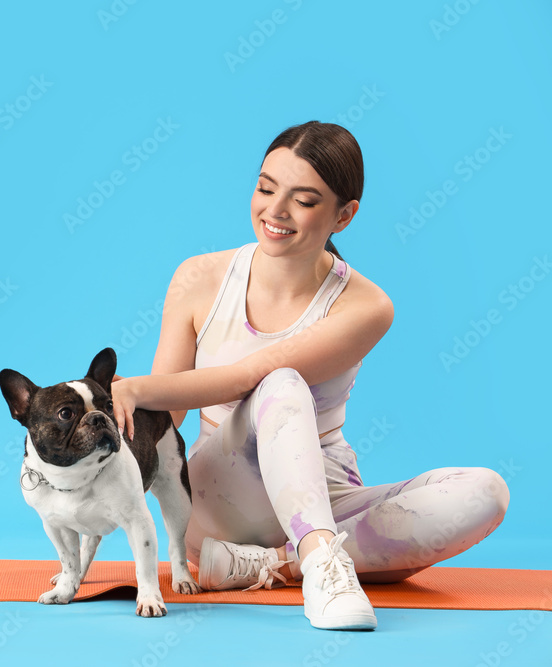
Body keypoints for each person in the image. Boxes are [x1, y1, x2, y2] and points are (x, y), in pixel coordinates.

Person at [109, 120, 510, 631]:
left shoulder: (367, 304)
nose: (275, 212)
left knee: (486, 492)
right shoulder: (199, 276)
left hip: (323, 496)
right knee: (282, 385)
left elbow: (247, 373)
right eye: (265, 188)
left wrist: (135, 386)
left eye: (303, 200)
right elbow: (171, 417)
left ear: (344, 215)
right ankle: (324, 567)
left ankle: (274, 564)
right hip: (220, 493)